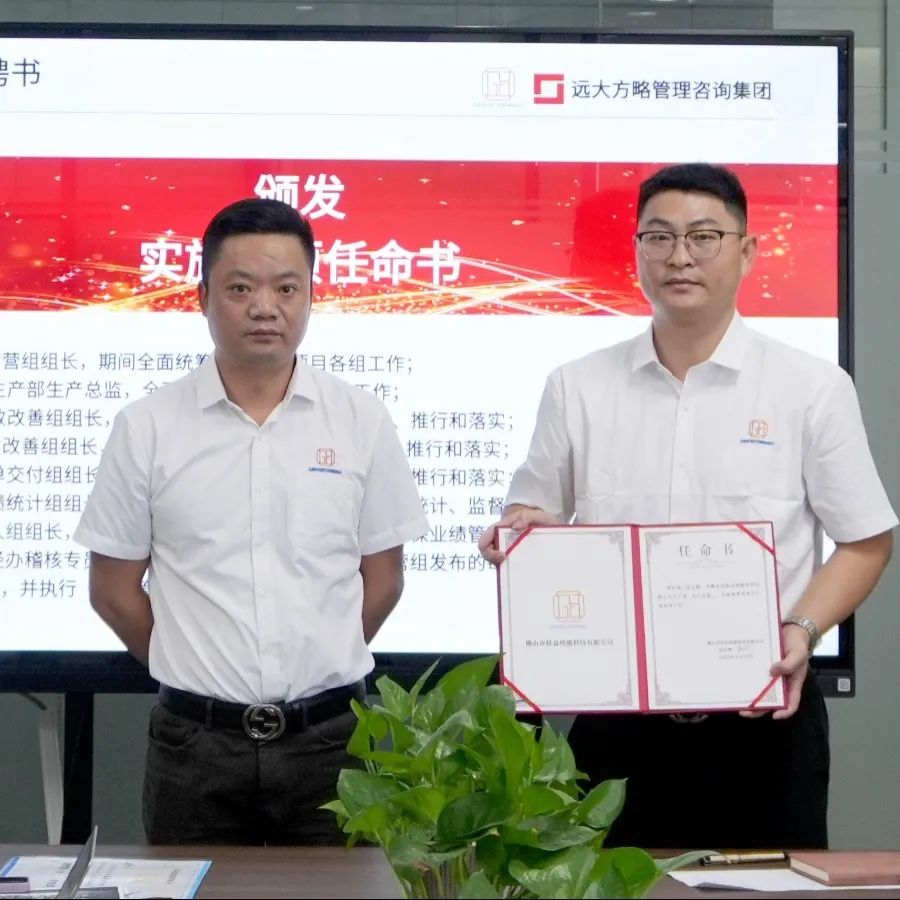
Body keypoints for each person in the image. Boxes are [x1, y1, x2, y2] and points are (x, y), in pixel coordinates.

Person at [479, 163, 896, 850]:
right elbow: (531, 512)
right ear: (637, 250)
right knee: (606, 892)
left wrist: (802, 627)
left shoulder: (811, 387)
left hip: (764, 721)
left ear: (747, 251)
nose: (680, 256)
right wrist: (522, 535)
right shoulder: (577, 387)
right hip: (618, 725)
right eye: (659, 236)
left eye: (704, 236)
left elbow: (866, 540)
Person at [74, 198, 428, 845]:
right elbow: (114, 590)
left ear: (312, 296)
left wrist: (318, 659)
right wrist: (192, 665)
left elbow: (384, 578)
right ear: (203, 297)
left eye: (286, 288)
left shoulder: (360, 420)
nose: (265, 307)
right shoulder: (147, 427)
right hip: (194, 747)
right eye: (240, 288)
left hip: (332, 742)